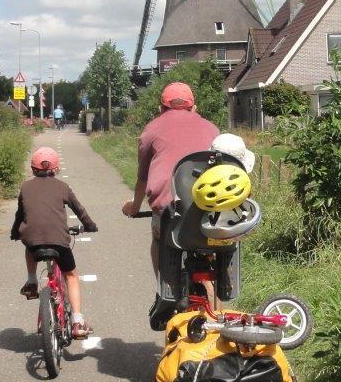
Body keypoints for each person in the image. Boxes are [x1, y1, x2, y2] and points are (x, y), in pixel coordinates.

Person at [121, 82, 219, 320]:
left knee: (158, 239)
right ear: (193, 107)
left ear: (160, 108)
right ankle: (217, 313)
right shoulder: (213, 129)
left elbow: (142, 179)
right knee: (211, 256)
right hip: (208, 210)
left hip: (169, 212)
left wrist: (133, 207)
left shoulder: (150, 131)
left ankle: (164, 289)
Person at [11, 146, 98, 338]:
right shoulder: (62, 187)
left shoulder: (25, 187)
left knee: (29, 242)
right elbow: (79, 210)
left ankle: (32, 279)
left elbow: (20, 215)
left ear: (33, 169)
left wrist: (15, 232)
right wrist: (89, 225)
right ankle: (77, 322)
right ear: (56, 169)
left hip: (33, 242)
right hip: (59, 241)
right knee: (71, 275)